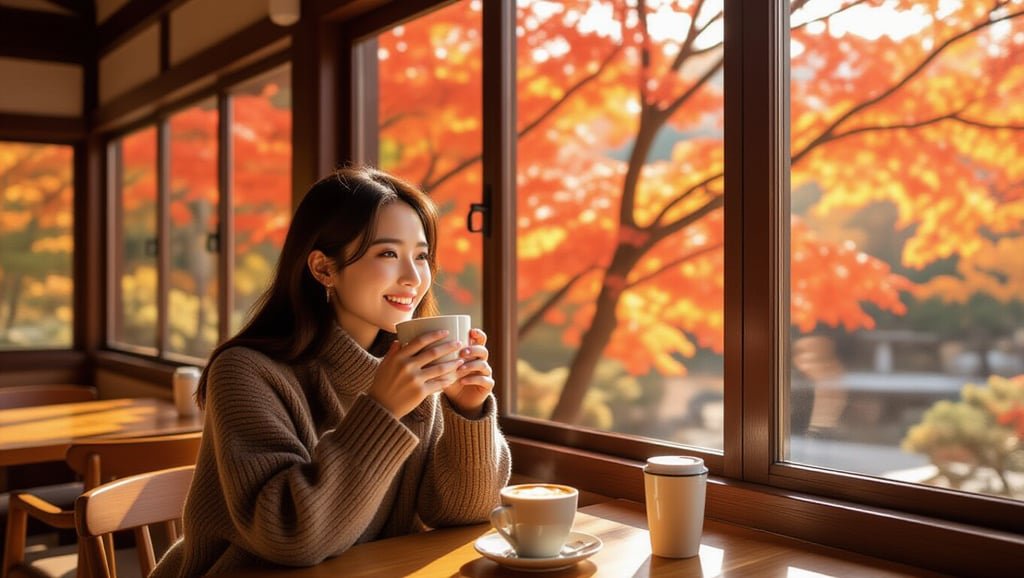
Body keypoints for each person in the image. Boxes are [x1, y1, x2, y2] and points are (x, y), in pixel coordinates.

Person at [151, 166, 511, 576]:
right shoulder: (245, 372)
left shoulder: (409, 371)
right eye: (388, 253)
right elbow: (290, 536)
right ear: (324, 268)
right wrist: (382, 408)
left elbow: (464, 511)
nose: (414, 278)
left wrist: (467, 413)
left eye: (422, 256)